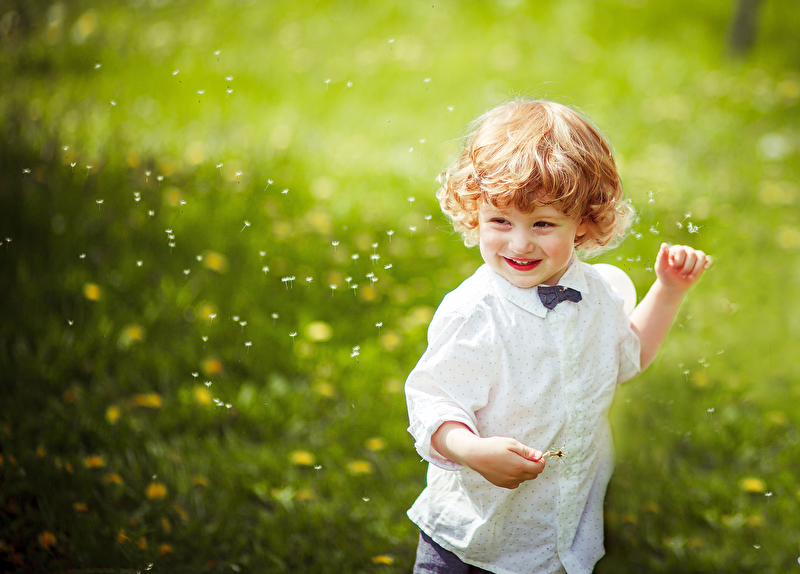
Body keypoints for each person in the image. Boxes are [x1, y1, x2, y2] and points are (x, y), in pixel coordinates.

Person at [404, 99, 712, 574]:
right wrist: (472, 450)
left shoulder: (599, 293)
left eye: (543, 224)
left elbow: (626, 359)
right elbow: (433, 401)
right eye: (500, 221)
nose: (520, 243)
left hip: (557, 533)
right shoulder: (476, 313)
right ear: (474, 213)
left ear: (584, 220)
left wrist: (668, 291)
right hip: (472, 537)